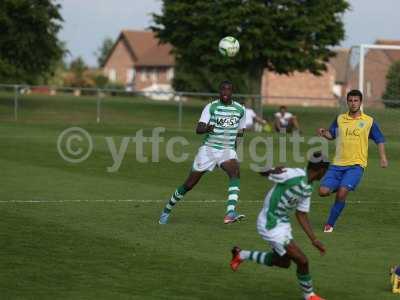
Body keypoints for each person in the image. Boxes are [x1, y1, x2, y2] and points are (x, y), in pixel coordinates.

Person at [230, 152, 330, 300]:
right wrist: (271, 169)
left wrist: (314, 240)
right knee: (303, 261)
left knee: (283, 262)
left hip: (282, 225)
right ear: (321, 170)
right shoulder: (293, 175)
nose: (325, 174)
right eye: (326, 171)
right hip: (270, 224)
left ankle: (241, 254)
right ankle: (309, 296)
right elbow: (260, 169)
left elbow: (301, 214)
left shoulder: (308, 187)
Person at [159, 80, 246, 225]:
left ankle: (230, 212)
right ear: (219, 92)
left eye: (228, 90)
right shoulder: (211, 107)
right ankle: (167, 210)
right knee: (189, 184)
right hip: (208, 151)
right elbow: (198, 129)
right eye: (222, 90)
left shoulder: (240, 110)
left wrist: (235, 149)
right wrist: (207, 129)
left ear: (232, 92)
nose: (225, 92)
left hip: (227, 150)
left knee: (235, 172)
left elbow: (241, 132)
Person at [317, 89, 388, 233]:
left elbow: (380, 140)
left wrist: (383, 158)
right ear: (347, 102)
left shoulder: (369, 122)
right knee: (322, 192)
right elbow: (332, 135)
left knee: (342, 193)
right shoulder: (340, 119)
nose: (353, 103)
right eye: (350, 100)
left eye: (356, 100)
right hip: (337, 165)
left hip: (356, 166)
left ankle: (329, 224)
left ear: (361, 102)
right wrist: (324, 133)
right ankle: (338, 186)